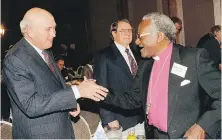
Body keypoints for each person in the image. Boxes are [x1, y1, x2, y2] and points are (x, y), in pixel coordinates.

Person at [104, 12, 221, 139]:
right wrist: (100, 93)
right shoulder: (145, 65)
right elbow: (132, 100)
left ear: (159, 36)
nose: (137, 41)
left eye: (140, 36)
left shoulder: (193, 58)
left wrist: (202, 126)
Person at [2, 7, 108, 139]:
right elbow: (31, 105)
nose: (54, 34)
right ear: (29, 31)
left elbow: (55, 86)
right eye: (48, 29)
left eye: (54, 28)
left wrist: (70, 103)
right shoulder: (15, 59)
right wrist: (76, 92)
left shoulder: (45, 51)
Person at [93, 19, 143, 134]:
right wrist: (109, 119)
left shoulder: (139, 54)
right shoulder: (104, 56)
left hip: (140, 116)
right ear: (114, 34)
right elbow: (100, 89)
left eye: (130, 30)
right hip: (119, 118)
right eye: (123, 31)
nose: (127, 33)